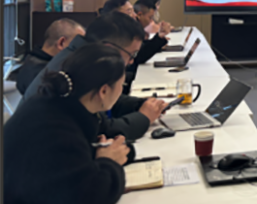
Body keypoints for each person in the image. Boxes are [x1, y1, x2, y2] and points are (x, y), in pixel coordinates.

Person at [4, 44, 132, 204]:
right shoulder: (53, 128)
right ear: (104, 91)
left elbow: (72, 162)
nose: (122, 90)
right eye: (122, 85)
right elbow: (86, 198)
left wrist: (111, 154)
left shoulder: (55, 106)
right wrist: (108, 163)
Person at [23, 12, 166, 140]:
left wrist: (141, 104)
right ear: (109, 49)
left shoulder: (81, 55)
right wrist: (144, 117)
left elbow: (106, 100)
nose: (131, 61)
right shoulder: (77, 68)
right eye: (132, 54)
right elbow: (102, 130)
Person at [15, 19, 85, 95]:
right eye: (77, 46)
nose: (81, 52)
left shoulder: (30, 63)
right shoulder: (47, 76)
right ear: (62, 43)